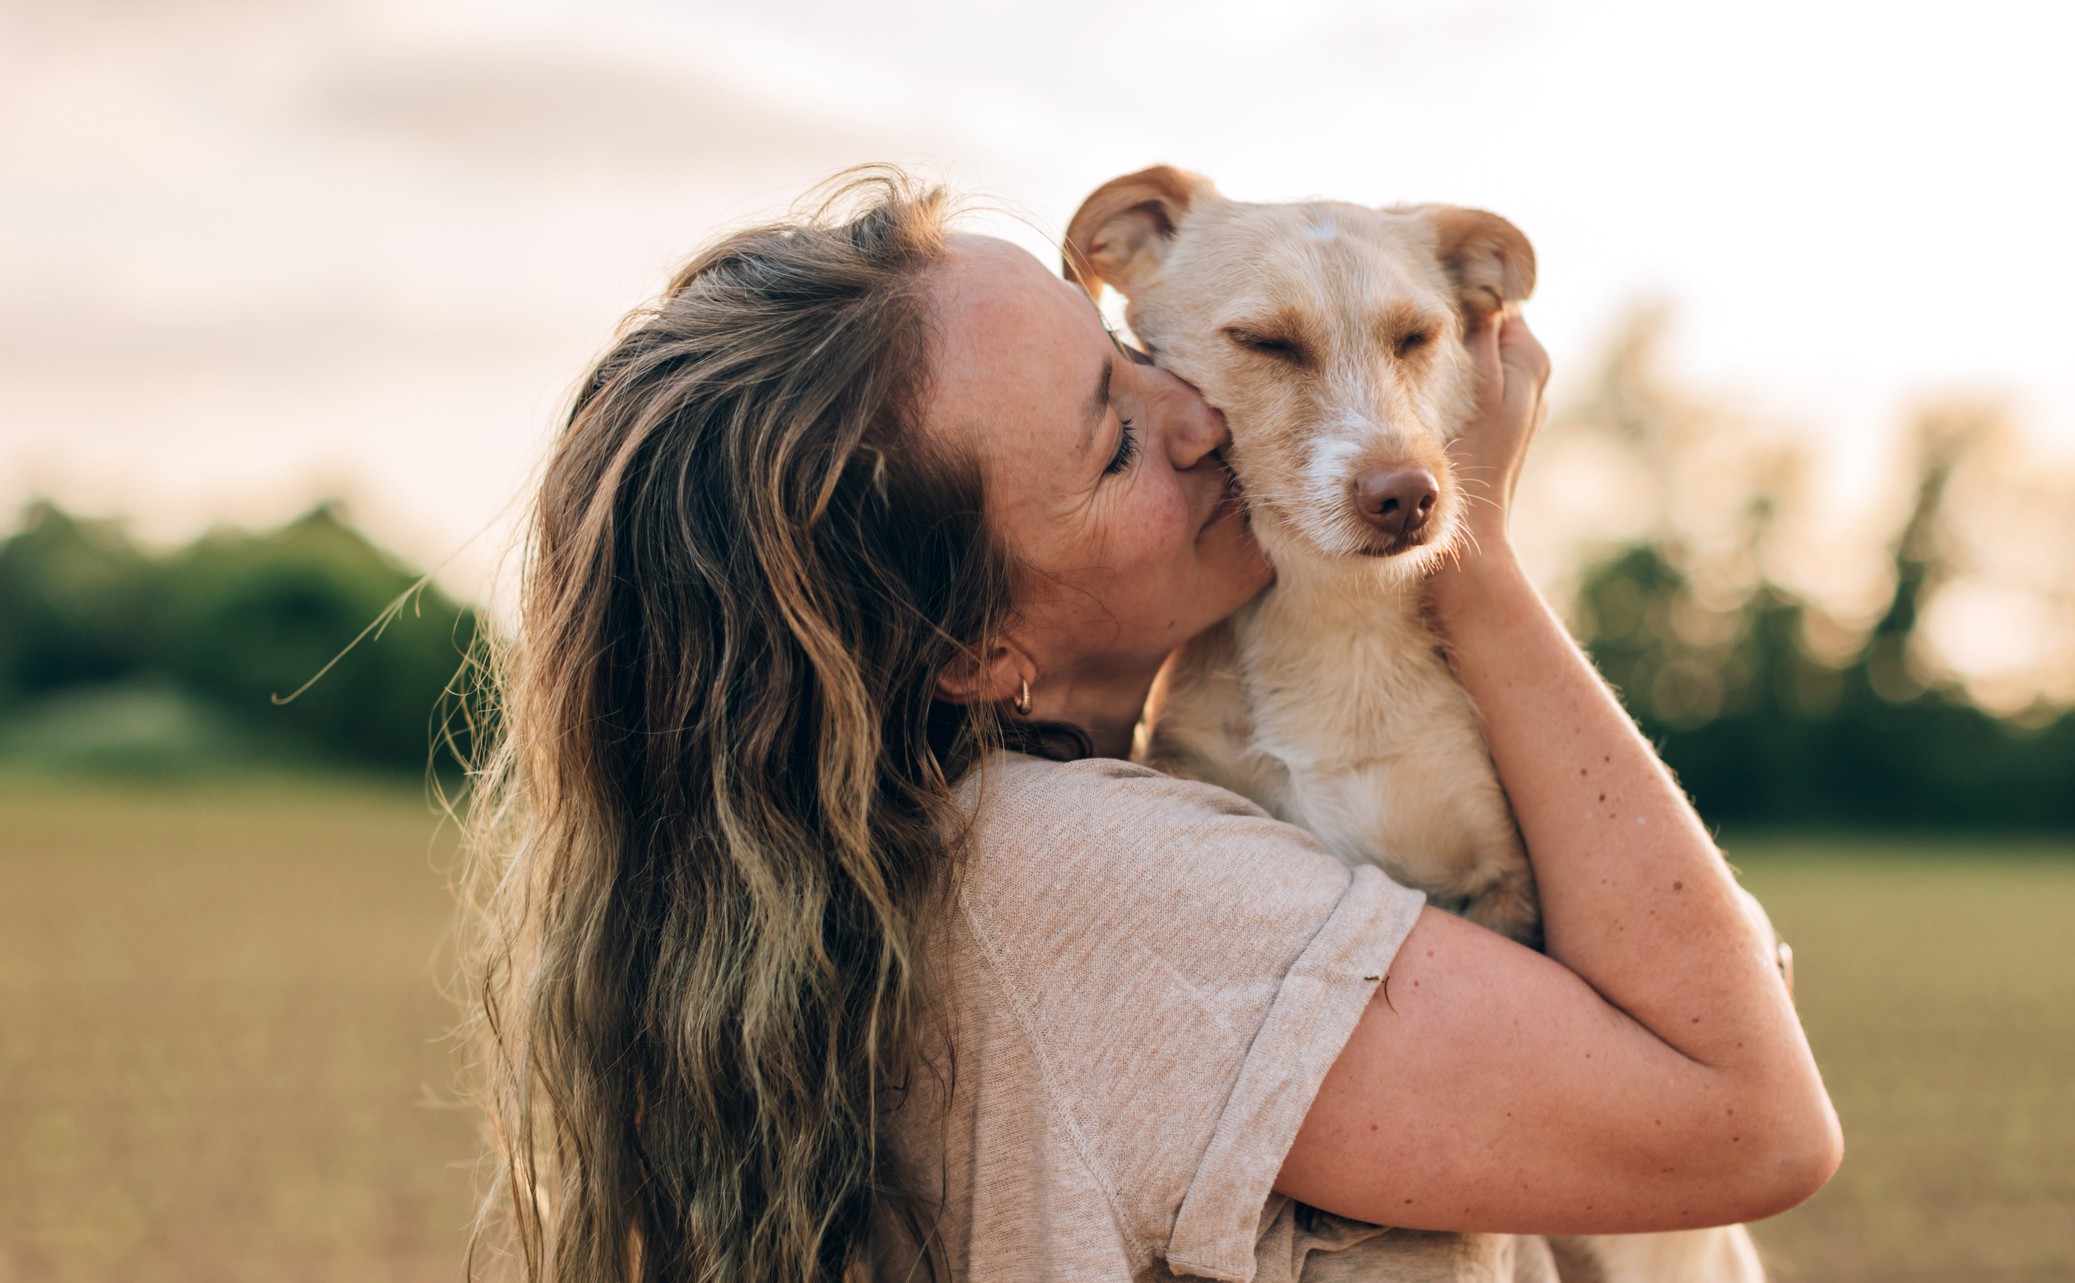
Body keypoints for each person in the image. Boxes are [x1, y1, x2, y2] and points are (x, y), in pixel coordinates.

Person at [460, 169, 1841, 1283]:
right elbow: (1754, 1117)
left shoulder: (927, 843)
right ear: (973, 652)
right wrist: (1477, 554)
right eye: (1112, 439)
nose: (1188, 418)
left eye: (1124, 359)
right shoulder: (1110, 884)